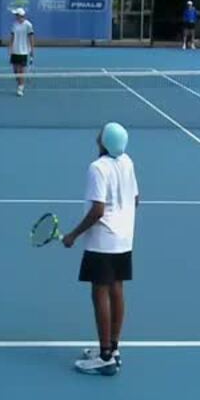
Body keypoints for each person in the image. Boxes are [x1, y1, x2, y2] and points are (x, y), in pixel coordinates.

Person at [63, 122, 139, 376]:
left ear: (104, 142)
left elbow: (97, 210)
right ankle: (113, 348)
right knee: (117, 289)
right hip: (124, 239)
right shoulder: (127, 161)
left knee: (100, 292)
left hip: (103, 241)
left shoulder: (97, 168)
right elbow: (136, 199)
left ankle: (105, 355)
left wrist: (73, 234)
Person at [8, 8, 34, 96]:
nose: (15, 16)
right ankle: (19, 84)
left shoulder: (28, 25)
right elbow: (12, 36)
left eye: (16, 15)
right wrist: (10, 47)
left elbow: (31, 38)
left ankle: (21, 87)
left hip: (24, 51)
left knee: (21, 71)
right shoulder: (14, 24)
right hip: (15, 50)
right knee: (15, 70)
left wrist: (32, 50)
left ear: (20, 15)